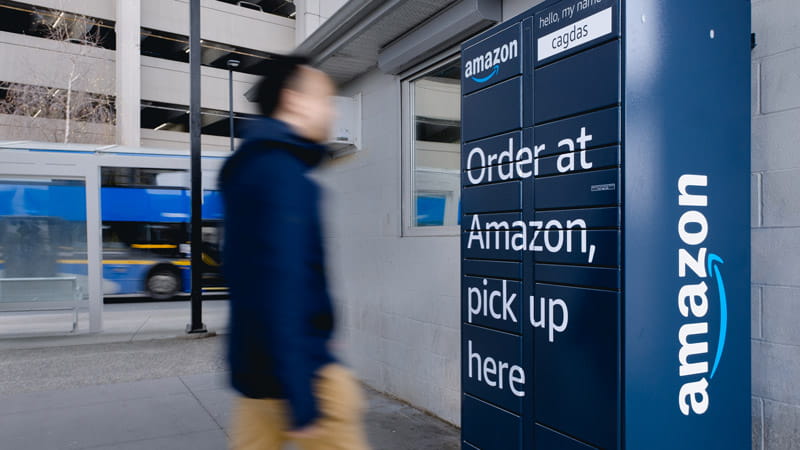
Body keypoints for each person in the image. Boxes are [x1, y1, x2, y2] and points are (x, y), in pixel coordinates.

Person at [219, 55, 370, 450]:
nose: (331, 110)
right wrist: (303, 395)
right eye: (325, 98)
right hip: (303, 371)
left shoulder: (250, 169)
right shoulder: (284, 174)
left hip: (256, 367)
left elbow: (240, 273)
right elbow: (283, 281)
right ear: (294, 101)